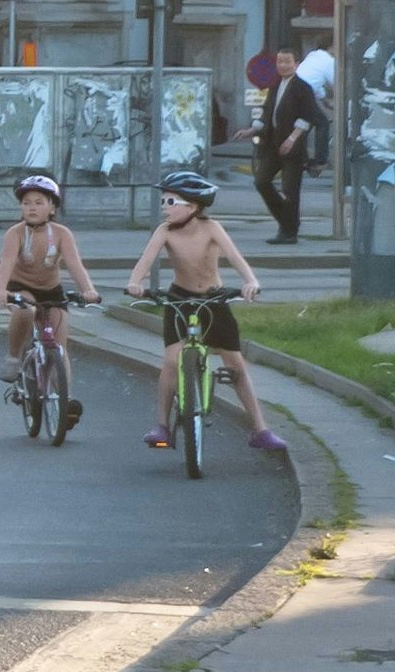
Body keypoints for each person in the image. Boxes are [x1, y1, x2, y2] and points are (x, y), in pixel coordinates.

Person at [126, 171, 282, 454]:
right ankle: (162, 425)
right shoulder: (164, 231)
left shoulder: (211, 228)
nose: (164, 207)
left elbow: (235, 257)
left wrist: (250, 281)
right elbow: (145, 261)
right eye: (163, 201)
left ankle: (260, 429)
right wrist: (135, 283)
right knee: (171, 361)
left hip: (213, 298)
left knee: (236, 364)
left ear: (193, 206)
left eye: (171, 202)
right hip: (179, 298)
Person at [0, 173, 99, 430]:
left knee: (59, 347)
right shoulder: (15, 233)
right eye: (26, 203)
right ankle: (14, 356)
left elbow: (75, 265)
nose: (32, 208)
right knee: (26, 311)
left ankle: (65, 399)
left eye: (39, 203)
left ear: (52, 207)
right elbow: (5, 264)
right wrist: (0, 291)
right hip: (21, 289)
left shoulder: (61, 233)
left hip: (51, 291)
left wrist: (88, 290)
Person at [259, 47, 333, 243]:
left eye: (287, 61)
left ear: (296, 64)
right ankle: (288, 221)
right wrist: (252, 129)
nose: (283, 65)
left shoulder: (302, 87)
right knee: (261, 181)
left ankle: (288, 232)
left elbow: (307, 117)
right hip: (273, 144)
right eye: (280, 61)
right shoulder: (275, 86)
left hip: (293, 147)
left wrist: (292, 138)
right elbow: (267, 112)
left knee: (290, 190)